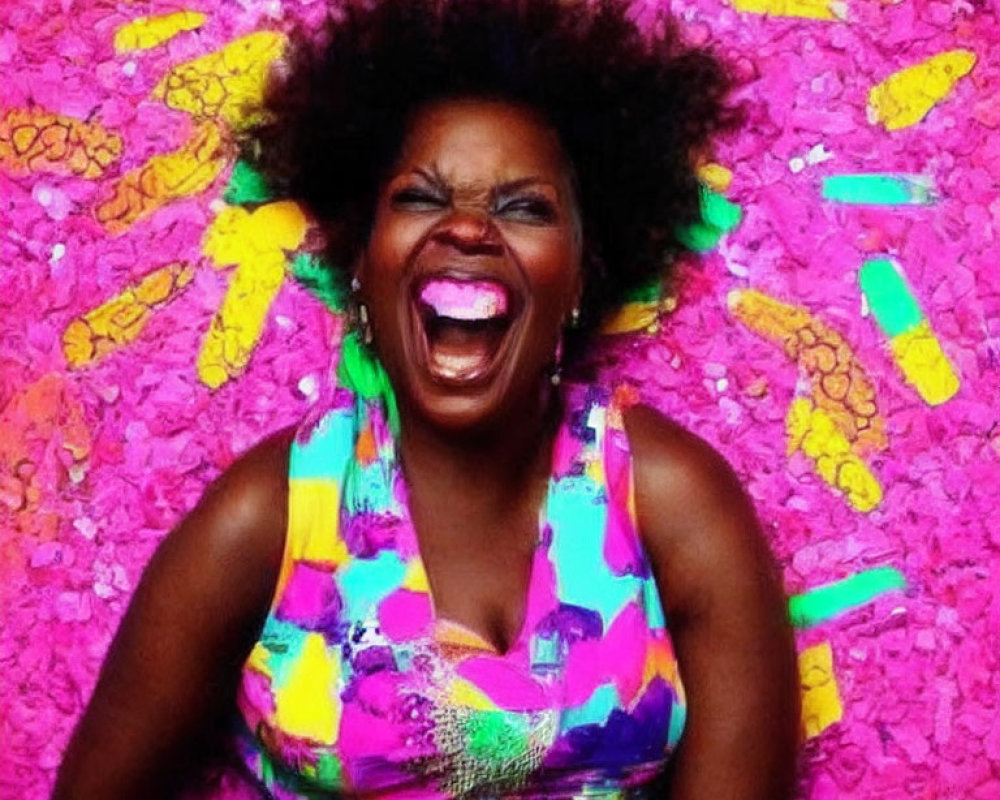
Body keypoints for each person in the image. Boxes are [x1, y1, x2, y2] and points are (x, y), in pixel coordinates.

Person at [54, 1, 799, 798]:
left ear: (579, 281)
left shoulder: (671, 499)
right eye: (421, 198)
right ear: (362, 268)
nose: (470, 230)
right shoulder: (268, 516)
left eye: (524, 207)